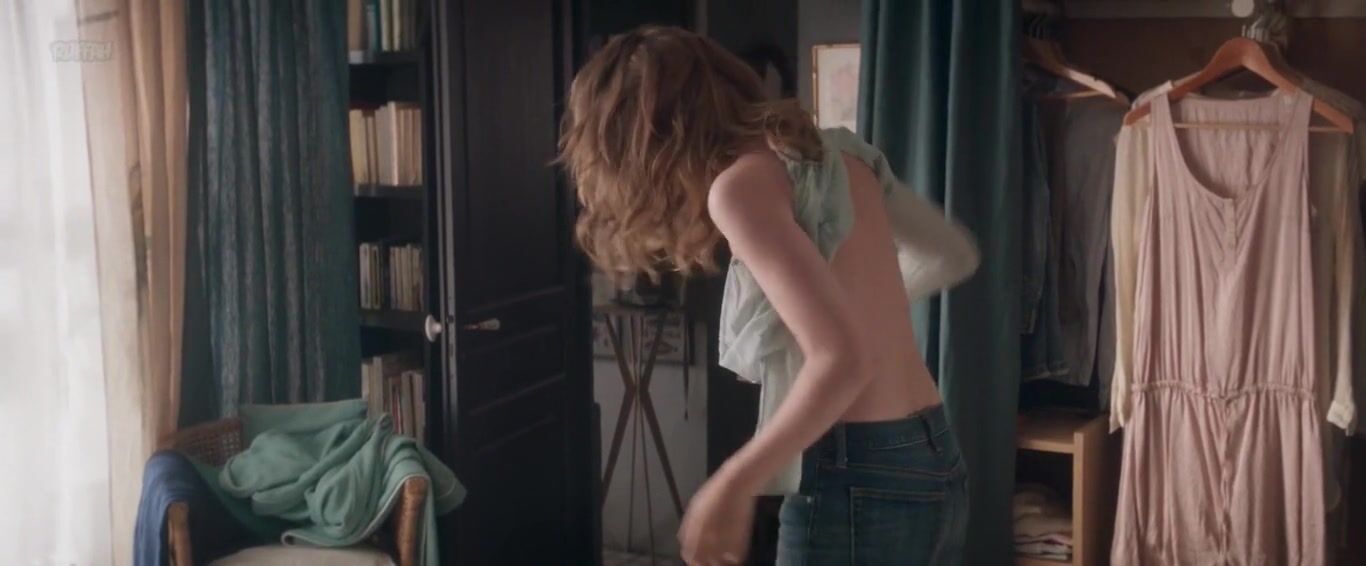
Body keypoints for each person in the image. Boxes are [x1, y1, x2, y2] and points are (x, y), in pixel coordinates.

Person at [558, 26, 980, 566]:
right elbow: (953, 254)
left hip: (854, 470)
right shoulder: (839, 152)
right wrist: (849, 304)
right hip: (932, 454)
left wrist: (731, 483)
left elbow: (843, 360)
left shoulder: (738, 188)